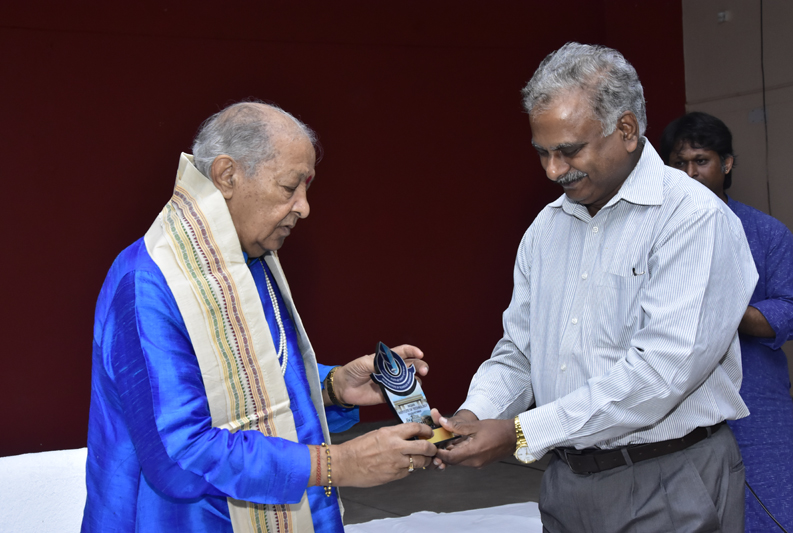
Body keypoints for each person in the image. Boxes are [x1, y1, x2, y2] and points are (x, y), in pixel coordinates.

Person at [431, 43, 758, 532]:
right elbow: (519, 352)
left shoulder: (692, 218)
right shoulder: (546, 229)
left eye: (568, 151)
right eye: (542, 153)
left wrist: (520, 431)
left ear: (625, 130)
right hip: (566, 481)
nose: (553, 170)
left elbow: (660, 373)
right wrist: (475, 414)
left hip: (667, 478)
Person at [81, 101, 438, 533]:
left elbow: (251, 391)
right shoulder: (150, 282)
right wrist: (338, 464)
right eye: (289, 187)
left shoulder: (248, 258)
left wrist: (332, 388)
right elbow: (179, 457)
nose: (304, 207)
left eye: (306, 188)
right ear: (227, 176)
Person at [660, 111, 793, 532]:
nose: (689, 173)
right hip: (672, 403)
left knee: (771, 508)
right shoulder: (652, 237)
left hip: (755, 400)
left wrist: (726, 311)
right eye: (678, 163)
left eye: (701, 161)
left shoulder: (766, 233)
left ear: (727, 163)